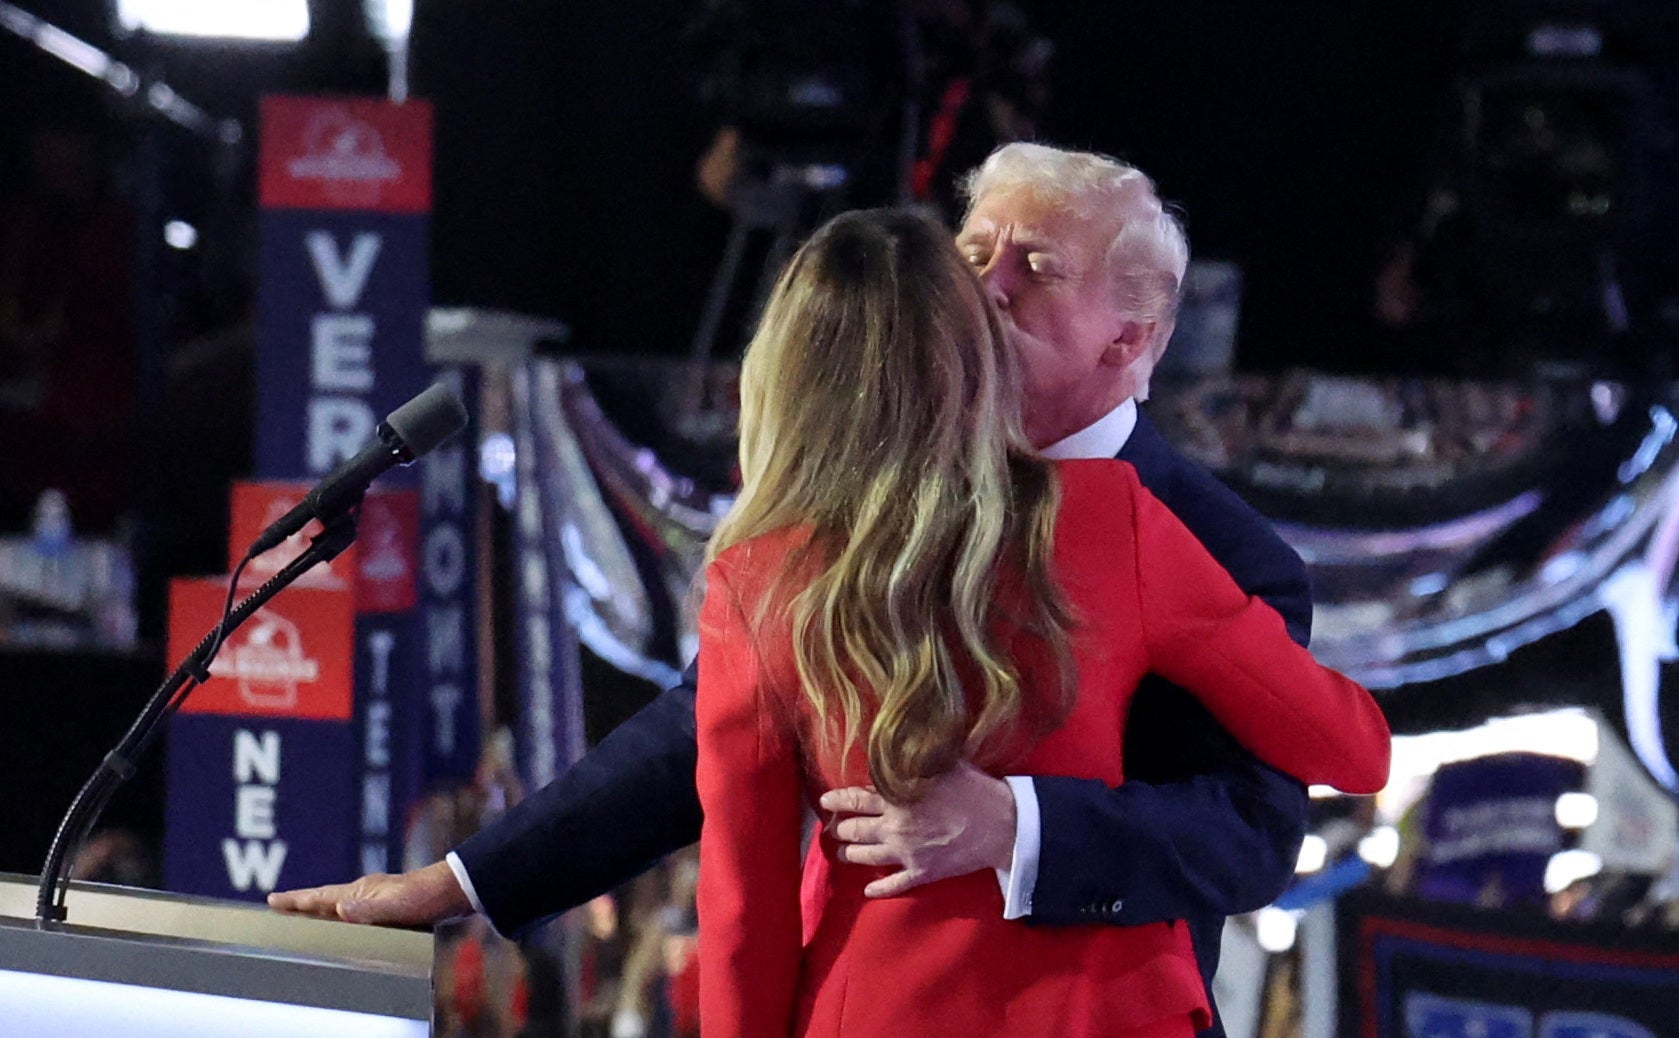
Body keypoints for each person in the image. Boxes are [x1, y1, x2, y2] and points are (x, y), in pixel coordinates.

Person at [271, 142, 1331, 1038]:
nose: (984, 284)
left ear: (1130, 339)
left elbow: (1248, 836)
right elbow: (697, 743)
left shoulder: (1224, 554)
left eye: (1037, 265)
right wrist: (456, 885)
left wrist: (1016, 827)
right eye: (972, 251)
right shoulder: (851, 509)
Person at [691, 205, 1387, 1037]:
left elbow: (744, 914)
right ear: (973, 351)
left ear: (786, 378)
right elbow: (1352, 749)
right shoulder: (1109, 520)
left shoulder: (756, 579)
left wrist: (1016, 823)